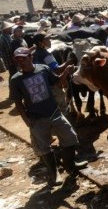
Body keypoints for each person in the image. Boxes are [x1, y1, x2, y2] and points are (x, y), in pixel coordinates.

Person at [9, 47, 87, 188]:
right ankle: (54, 173)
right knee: (45, 148)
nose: (21, 62)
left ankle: (70, 165)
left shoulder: (43, 69)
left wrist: (66, 72)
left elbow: (56, 82)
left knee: (70, 138)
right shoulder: (16, 79)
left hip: (54, 113)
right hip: (37, 119)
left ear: (30, 57)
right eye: (18, 59)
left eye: (23, 58)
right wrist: (27, 121)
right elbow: (18, 103)